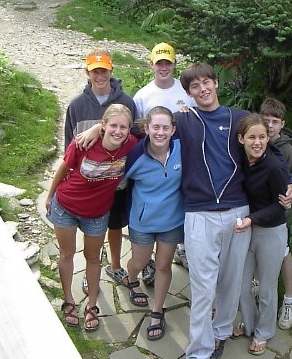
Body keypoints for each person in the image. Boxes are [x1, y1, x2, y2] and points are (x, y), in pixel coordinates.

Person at [174, 63, 292, 359]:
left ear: (216, 83)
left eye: (206, 82)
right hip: (198, 213)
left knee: (230, 282)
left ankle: (221, 332)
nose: (202, 89)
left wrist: (288, 181)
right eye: (194, 86)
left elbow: (269, 144)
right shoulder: (183, 119)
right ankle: (199, 351)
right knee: (203, 287)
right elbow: (148, 129)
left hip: (237, 212)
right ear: (188, 93)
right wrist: (101, 127)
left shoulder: (238, 117)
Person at [46, 104, 138, 332]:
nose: (118, 131)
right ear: (103, 125)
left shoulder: (131, 145)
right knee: (67, 254)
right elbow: (63, 167)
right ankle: (68, 300)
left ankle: (91, 306)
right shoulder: (83, 143)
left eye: (123, 127)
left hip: (97, 213)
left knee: (93, 258)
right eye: (113, 125)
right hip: (66, 205)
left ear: (129, 130)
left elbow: (155, 128)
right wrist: (49, 195)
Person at [64, 49, 137, 292]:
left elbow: (132, 136)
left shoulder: (127, 102)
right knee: (90, 231)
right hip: (86, 184)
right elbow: (69, 143)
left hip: (115, 182)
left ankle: (115, 265)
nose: (100, 75)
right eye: (95, 71)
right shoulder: (76, 105)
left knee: (115, 225)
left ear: (111, 71)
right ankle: (89, 272)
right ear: (87, 73)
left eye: (104, 70)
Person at [121, 106, 185, 341]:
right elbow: (118, 184)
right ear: (146, 128)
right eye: (155, 127)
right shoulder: (136, 156)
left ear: (173, 130)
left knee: (163, 266)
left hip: (172, 221)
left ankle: (157, 310)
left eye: (165, 127)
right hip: (143, 221)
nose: (160, 132)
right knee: (139, 261)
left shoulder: (182, 149)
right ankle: (131, 279)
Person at [133, 42, 195, 284]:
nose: (164, 67)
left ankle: (181, 249)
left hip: (182, 157)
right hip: (153, 160)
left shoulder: (185, 91)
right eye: (159, 63)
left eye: (168, 63)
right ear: (152, 65)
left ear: (174, 64)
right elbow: (138, 130)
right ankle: (147, 260)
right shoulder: (142, 95)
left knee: (180, 202)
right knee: (152, 202)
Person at [233, 113, 289, 355]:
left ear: (269, 139)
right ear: (241, 138)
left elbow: (281, 205)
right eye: (252, 137)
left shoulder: (274, 166)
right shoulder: (242, 159)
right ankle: (250, 324)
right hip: (247, 231)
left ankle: (263, 332)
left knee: (266, 288)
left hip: (270, 232)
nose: (257, 142)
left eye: (262, 137)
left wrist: (251, 219)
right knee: (242, 285)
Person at [260, 98, 292, 330]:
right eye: (265, 120)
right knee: (255, 252)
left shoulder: (287, 152)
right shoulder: (256, 142)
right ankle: (257, 285)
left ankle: (289, 299)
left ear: (282, 124)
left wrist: (283, 212)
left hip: (278, 217)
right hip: (257, 212)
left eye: (275, 122)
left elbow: (291, 188)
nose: (270, 126)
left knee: (283, 254)